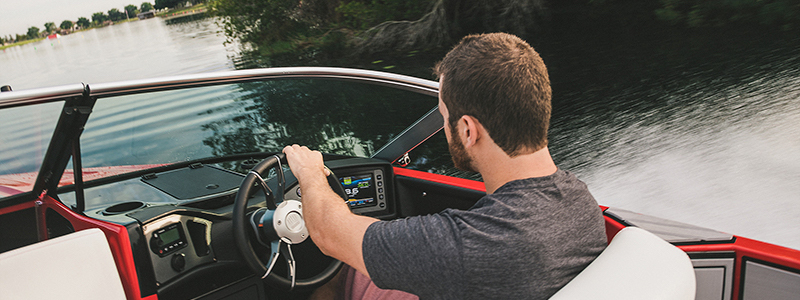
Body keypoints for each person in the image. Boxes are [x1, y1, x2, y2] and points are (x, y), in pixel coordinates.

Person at [283, 32, 608, 300]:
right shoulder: (581, 200)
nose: (444, 125)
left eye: (444, 116)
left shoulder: (471, 243)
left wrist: (310, 172)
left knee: (337, 276)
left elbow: (328, 234)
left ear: (468, 130)